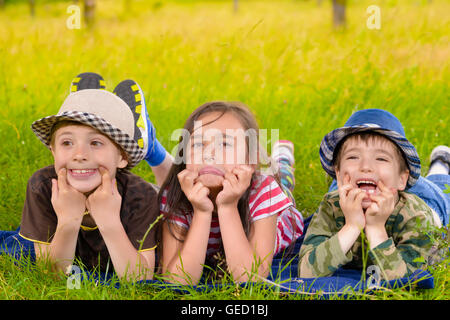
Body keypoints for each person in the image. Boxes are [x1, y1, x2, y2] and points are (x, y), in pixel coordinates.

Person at [16, 73, 169, 281]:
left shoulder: (140, 195)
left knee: (177, 194)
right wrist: (69, 220)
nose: (79, 155)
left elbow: (139, 279)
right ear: (53, 151)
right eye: (67, 143)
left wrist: (109, 221)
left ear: (122, 157)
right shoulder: (42, 186)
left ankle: (150, 145)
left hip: (154, 193)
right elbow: (52, 276)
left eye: (96, 143)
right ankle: (92, 105)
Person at [158, 101, 304, 284]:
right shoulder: (177, 195)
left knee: (282, 180)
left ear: (250, 161)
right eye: (197, 145)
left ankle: (282, 156)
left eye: (224, 144)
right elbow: (177, 281)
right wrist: (201, 212)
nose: (209, 154)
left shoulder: (264, 191)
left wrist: (228, 206)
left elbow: (251, 279)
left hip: (279, 216)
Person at [298, 109, 449, 280]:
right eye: (353, 156)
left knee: (443, 189)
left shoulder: (416, 216)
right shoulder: (332, 205)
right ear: (337, 174)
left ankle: (441, 163)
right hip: (373, 181)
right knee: (352, 181)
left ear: (402, 179)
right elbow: (306, 272)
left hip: (429, 202)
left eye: (381, 158)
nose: (366, 166)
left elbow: (404, 280)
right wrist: (352, 226)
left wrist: (376, 228)